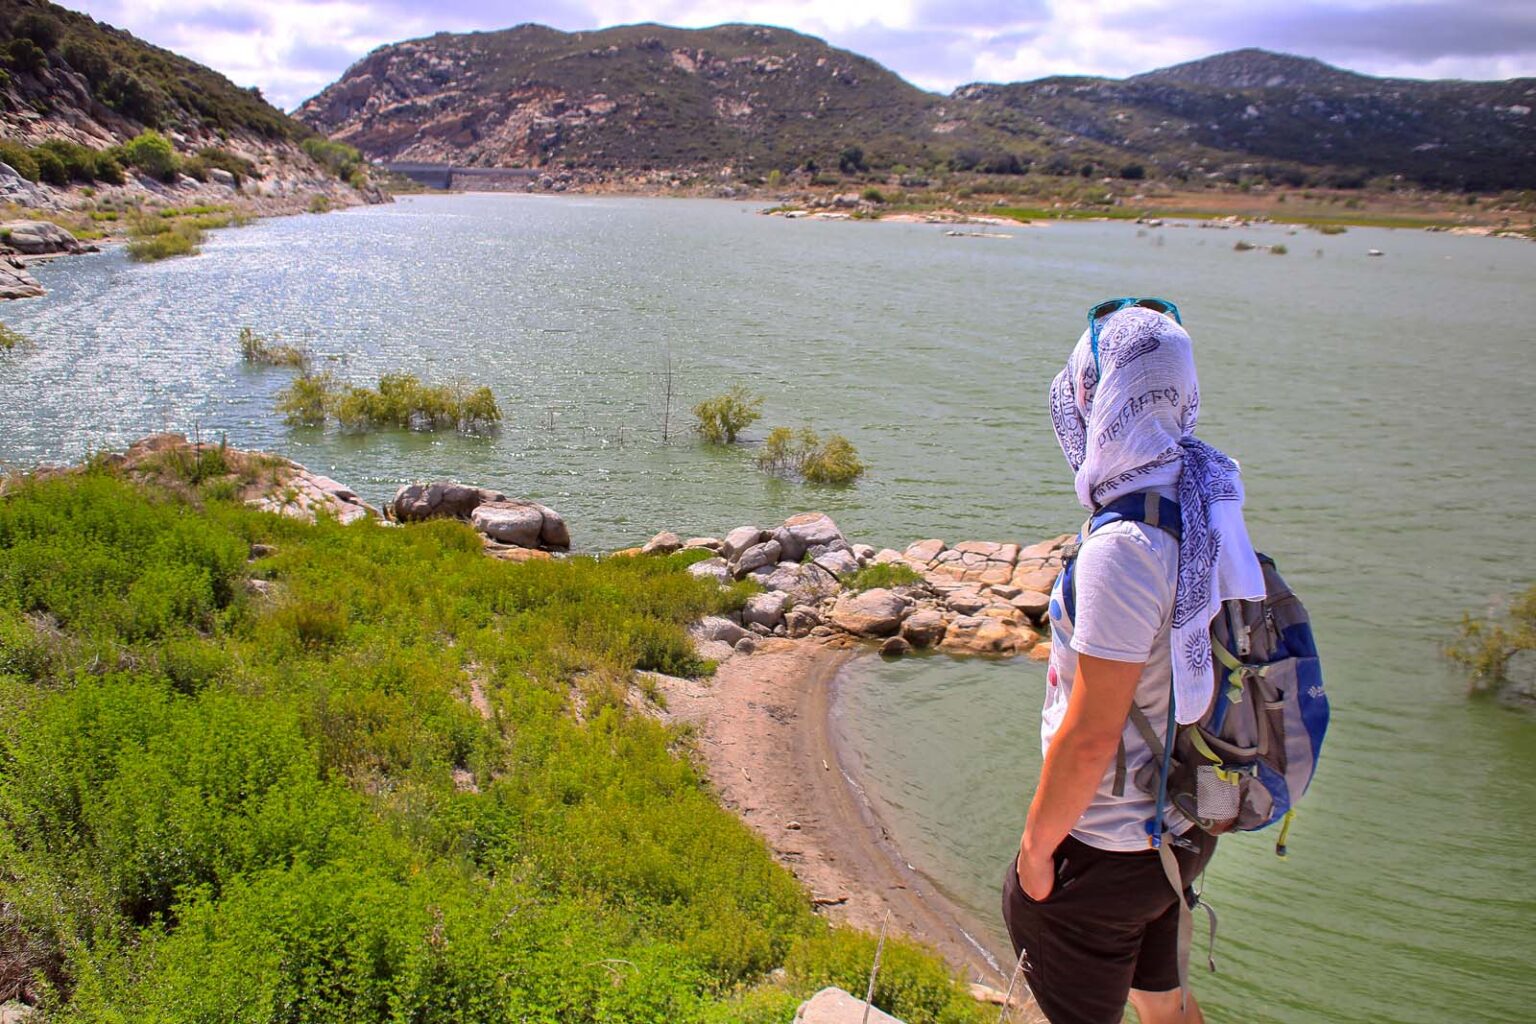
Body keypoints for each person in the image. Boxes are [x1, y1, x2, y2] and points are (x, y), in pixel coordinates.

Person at [1001, 299, 1267, 1024]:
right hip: (1180, 831)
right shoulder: (1208, 498)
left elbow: (1091, 735)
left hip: (1106, 846)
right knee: (1169, 1008)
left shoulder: (1124, 548)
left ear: (1099, 395)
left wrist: (1033, 852)